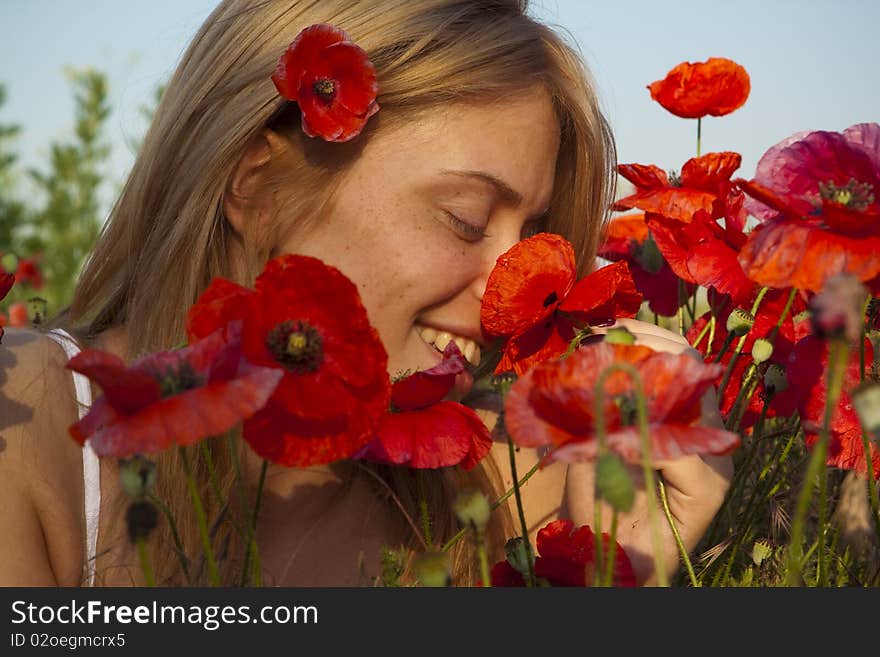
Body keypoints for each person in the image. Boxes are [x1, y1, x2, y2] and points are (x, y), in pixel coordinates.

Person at [0, 0, 731, 587]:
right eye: (466, 219)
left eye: (534, 235)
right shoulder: (31, 428)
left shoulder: (523, 483)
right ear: (256, 186)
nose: (506, 301)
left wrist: (616, 571)